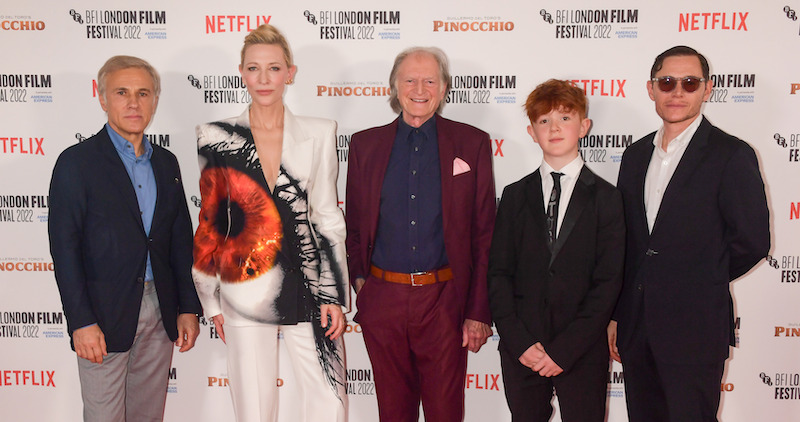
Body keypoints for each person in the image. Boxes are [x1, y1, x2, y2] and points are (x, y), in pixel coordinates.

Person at [192, 24, 349, 422]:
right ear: (241, 72)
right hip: (243, 286)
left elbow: (328, 218)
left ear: (290, 73)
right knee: (254, 405)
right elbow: (212, 222)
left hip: (310, 283)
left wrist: (333, 294)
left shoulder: (319, 131)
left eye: (274, 68)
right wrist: (210, 301)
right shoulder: (214, 136)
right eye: (254, 69)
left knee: (329, 400)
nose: (264, 79)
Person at [608, 45, 770, 422]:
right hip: (636, 326)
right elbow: (628, 244)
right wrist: (618, 314)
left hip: (696, 328)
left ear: (707, 89)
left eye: (689, 82)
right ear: (651, 89)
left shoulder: (732, 154)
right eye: (667, 82)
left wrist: (698, 278)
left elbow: (753, 241)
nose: (677, 91)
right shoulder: (633, 157)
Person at [345, 46, 495, 422]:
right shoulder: (365, 145)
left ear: (444, 88)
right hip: (383, 299)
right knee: (393, 414)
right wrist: (362, 284)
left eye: (430, 80)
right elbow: (355, 225)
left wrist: (477, 312)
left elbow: (484, 234)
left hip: (445, 301)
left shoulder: (472, 143)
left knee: (446, 413)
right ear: (394, 87)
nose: (419, 88)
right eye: (410, 79)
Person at [48, 55, 201, 421]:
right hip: (102, 315)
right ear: (102, 98)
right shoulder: (76, 163)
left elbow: (180, 240)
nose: (134, 103)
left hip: (159, 308)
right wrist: (81, 321)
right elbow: (64, 249)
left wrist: (187, 307)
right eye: (122, 92)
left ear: (154, 100)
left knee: (149, 416)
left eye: (143, 93)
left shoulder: (167, 163)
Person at [487, 79, 624, 422]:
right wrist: (518, 342)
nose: (555, 128)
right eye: (544, 121)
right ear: (532, 132)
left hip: (581, 349)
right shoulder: (514, 196)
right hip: (523, 350)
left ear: (584, 126)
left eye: (565, 118)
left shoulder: (608, 198)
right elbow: (498, 273)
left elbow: (608, 282)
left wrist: (565, 350)